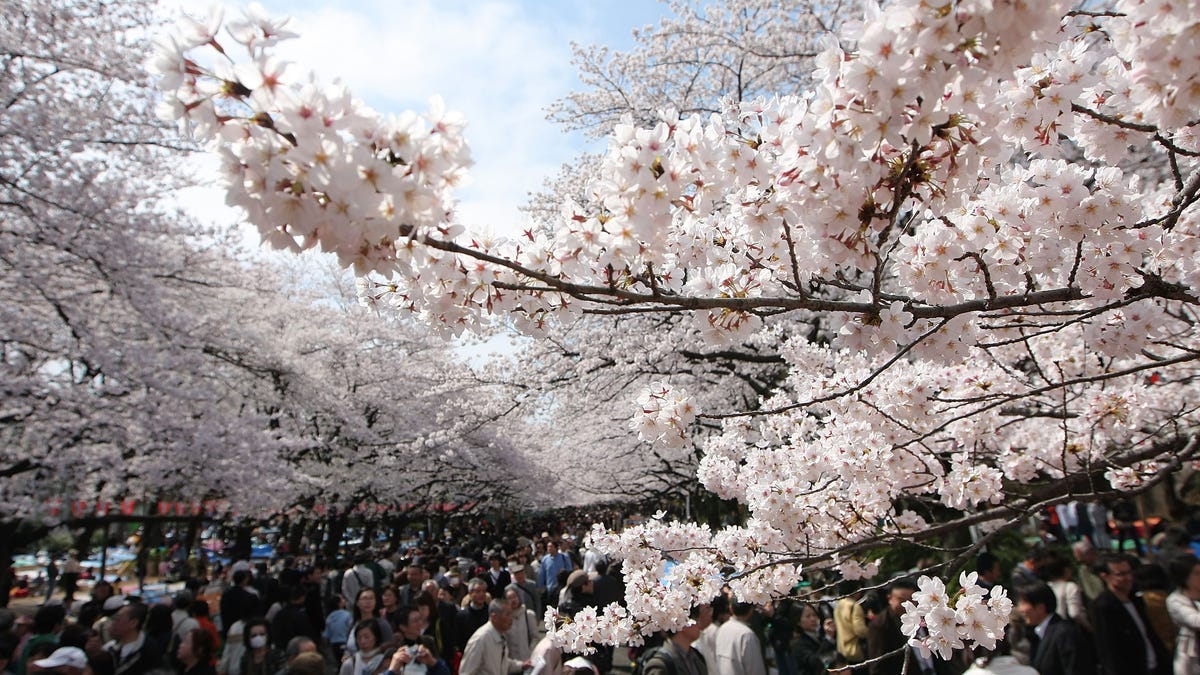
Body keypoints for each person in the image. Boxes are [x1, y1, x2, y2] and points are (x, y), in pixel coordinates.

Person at [1090, 553, 1170, 675]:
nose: (1128, 578)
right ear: (1105, 577)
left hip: (1155, 665)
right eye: (1121, 574)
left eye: (1129, 572)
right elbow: (1108, 648)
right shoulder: (1104, 606)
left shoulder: (1136, 599)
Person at [1014, 582, 1094, 675]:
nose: (1020, 609)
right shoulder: (1040, 633)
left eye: (1024, 603)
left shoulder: (1064, 633)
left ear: (1040, 608)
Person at [458, 600, 527, 675]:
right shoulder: (480, 639)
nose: (511, 618)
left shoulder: (501, 636)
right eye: (507, 614)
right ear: (494, 617)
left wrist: (522, 665)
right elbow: (466, 672)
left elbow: (502, 663)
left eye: (511, 614)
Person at [642, 605, 710, 675]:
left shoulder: (697, 656)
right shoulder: (660, 664)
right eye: (695, 619)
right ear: (681, 624)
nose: (698, 624)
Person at [103, 603, 162, 675]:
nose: (113, 623)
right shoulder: (109, 648)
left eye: (117, 619)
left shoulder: (149, 649)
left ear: (133, 623)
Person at [1166, 554, 1200, 675]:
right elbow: (1195, 620)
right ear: (1184, 578)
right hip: (1191, 658)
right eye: (1196, 574)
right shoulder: (1175, 600)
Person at [714, 602, 765, 675]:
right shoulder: (747, 634)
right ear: (751, 611)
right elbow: (755, 669)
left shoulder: (722, 629)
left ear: (731, 608)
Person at [790, 604, 836, 675]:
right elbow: (815, 662)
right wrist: (828, 638)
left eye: (814, 615)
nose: (813, 619)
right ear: (798, 621)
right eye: (808, 616)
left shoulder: (820, 636)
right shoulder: (798, 643)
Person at [348, 589, 394, 656]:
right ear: (357, 602)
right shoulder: (353, 624)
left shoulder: (382, 624)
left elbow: (390, 647)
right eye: (364, 599)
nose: (368, 602)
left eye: (371, 599)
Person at [833, 581, 869, 667]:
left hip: (842, 649)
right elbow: (860, 631)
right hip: (855, 650)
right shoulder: (854, 606)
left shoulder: (838, 605)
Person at [501, 587, 538, 663]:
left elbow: (535, 637)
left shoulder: (528, 615)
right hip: (511, 663)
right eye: (509, 598)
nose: (513, 600)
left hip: (528, 659)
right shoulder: (505, 618)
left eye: (514, 597)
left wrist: (530, 653)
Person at [537, 543, 572, 609]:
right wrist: (540, 587)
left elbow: (569, 570)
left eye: (551, 546)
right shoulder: (545, 559)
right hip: (550, 589)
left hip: (563, 588)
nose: (549, 548)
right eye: (548, 547)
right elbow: (542, 574)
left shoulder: (564, 557)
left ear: (556, 547)